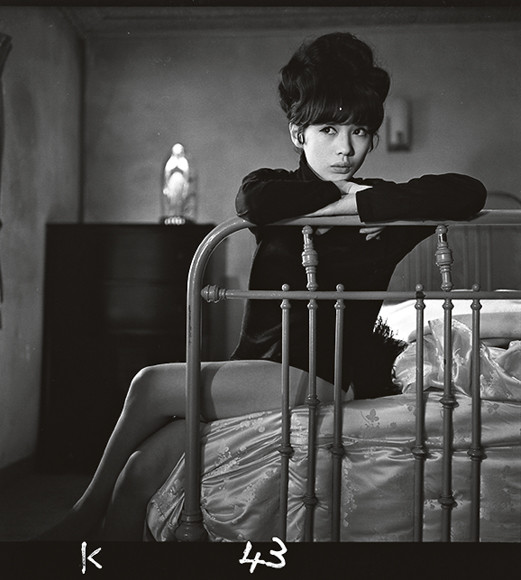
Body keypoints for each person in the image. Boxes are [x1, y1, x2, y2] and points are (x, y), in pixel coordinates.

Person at [38, 32, 486, 541]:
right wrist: (340, 198)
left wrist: (361, 203)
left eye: (360, 131)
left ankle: (80, 517)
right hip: (254, 369)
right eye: (328, 128)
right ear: (298, 133)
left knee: (149, 384)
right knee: (140, 470)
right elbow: (252, 202)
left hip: (317, 376)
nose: (345, 147)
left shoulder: (382, 205)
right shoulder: (274, 187)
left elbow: (468, 193)